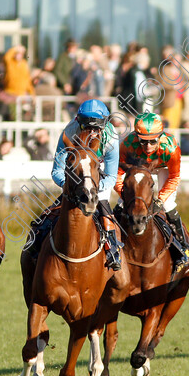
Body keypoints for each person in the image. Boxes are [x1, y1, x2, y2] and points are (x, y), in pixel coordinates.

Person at [25, 99, 122, 271]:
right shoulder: (69, 133)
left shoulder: (111, 137)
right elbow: (57, 171)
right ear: (79, 122)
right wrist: (71, 186)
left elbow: (112, 177)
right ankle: (36, 245)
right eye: (87, 127)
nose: (92, 132)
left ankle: (113, 251)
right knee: (48, 217)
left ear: (104, 124)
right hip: (75, 180)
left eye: (96, 127)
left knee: (107, 216)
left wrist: (92, 189)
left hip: (98, 176)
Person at [115, 112, 189, 272]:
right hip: (138, 169)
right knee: (121, 204)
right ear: (137, 137)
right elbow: (119, 174)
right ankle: (112, 243)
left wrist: (160, 200)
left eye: (152, 141)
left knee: (168, 205)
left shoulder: (170, 148)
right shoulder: (128, 144)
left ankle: (183, 248)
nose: (148, 146)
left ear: (160, 137)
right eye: (143, 141)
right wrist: (126, 195)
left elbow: (174, 177)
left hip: (162, 168)